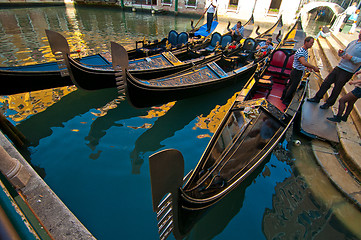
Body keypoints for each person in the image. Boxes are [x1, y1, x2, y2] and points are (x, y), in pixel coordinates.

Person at [307, 31, 361, 109]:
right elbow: (345, 52)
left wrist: (352, 58)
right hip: (340, 66)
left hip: (348, 71)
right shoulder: (353, 42)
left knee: (337, 88)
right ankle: (317, 97)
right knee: (326, 82)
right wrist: (341, 53)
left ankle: (328, 103)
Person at [281, 36, 320, 106]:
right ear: (306, 42)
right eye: (311, 43)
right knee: (293, 87)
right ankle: (285, 100)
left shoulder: (305, 50)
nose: (312, 45)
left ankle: (283, 97)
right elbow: (303, 62)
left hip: (297, 71)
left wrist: (308, 67)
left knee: (290, 85)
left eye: (312, 43)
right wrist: (313, 67)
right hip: (296, 72)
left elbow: (304, 63)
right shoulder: (301, 51)